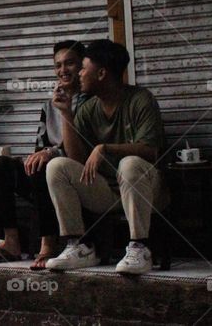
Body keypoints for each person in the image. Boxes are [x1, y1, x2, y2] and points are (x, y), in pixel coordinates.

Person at [44, 39, 168, 275]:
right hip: (108, 192)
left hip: (148, 192)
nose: (78, 74)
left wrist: (105, 148)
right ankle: (78, 247)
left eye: (83, 68)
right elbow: (77, 159)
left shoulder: (140, 99)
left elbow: (151, 150)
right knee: (57, 166)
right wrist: (66, 113)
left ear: (101, 73)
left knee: (129, 163)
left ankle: (139, 248)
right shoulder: (89, 108)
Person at [0, 40, 89, 269]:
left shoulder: (91, 101)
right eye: (58, 65)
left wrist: (50, 153)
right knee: (1, 166)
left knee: (45, 167)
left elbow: (83, 151)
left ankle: (48, 244)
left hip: (74, 175)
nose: (63, 70)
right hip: (48, 170)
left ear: (82, 66)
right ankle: (11, 242)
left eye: (70, 63)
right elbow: (41, 144)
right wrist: (31, 158)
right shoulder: (50, 104)